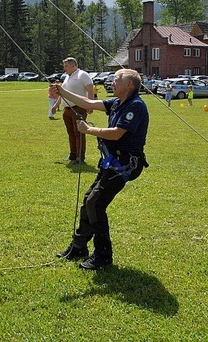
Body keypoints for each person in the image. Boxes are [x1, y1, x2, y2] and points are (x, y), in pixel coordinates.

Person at [53, 68, 150, 270]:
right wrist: (62, 91)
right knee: (90, 200)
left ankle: (103, 255)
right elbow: (87, 103)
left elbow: (116, 134)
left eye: (116, 80)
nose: (111, 82)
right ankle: (79, 247)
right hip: (112, 162)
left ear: (129, 85)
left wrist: (89, 130)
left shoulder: (136, 106)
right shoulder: (116, 103)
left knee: (95, 203)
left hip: (125, 165)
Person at [51, 58, 94, 164]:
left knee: (79, 132)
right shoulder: (67, 78)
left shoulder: (82, 75)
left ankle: (80, 157)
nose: (64, 68)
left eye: (66, 66)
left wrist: (91, 104)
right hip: (67, 109)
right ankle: (73, 154)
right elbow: (63, 94)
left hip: (78, 108)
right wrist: (55, 106)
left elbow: (90, 90)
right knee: (70, 133)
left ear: (73, 65)